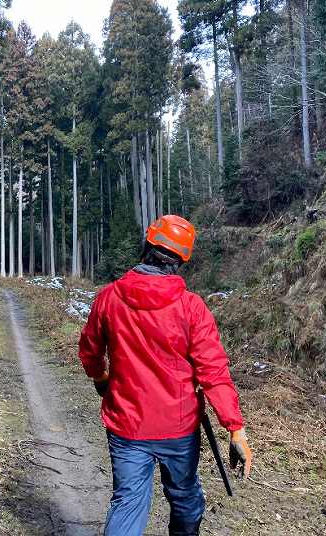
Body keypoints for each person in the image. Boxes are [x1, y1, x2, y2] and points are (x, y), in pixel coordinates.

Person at [79, 215, 252, 536]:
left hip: (127, 426)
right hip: (179, 428)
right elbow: (213, 372)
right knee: (186, 499)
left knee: (128, 503)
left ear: (147, 246)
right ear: (181, 260)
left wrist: (101, 379)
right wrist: (235, 428)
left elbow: (90, 351)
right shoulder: (191, 307)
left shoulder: (109, 298)